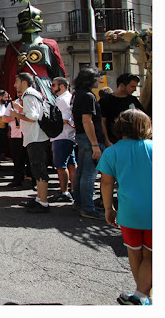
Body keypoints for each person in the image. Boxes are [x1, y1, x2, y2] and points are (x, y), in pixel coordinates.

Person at [98, 109, 152, 305]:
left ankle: (141, 296)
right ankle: (141, 296)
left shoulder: (112, 151)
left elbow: (106, 183)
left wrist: (108, 208)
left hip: (128, 212)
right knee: (152, 255)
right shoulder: (154, 148)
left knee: (134, 252)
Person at [0, 3, 66, 105]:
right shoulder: (14, 48)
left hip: (45, 85)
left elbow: (57, 71)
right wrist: (18, 66)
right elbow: (9, 73)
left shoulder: (49, 45)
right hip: (24, 85)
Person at [9, 73, 51, 213]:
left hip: (35, 137)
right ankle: (39, 198)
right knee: (36, 169)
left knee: (39, 169)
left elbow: (32, 117)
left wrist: (17, 115)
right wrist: (21, 110)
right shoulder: (35, 94)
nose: (15, 85)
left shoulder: (28, 95)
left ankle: (43, 202)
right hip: (38, 136)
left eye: (16, 81)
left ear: (24, 82)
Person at [71, 66, 106, 220]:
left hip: (81, 136)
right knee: (89, 175)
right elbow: (87, 120)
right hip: (89, 138)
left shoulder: (77, 94)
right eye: (98, 78)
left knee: (82, 172)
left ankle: (79, 202)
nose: (100, 80)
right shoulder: (88, 96)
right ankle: (87, 207)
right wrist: (95, 144)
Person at [100, 73, 146, 147]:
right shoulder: (105, 101)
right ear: (122, 86)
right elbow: (102, 122)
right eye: (132, 86)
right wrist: (107, 141)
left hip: (134, 141)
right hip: (114, 142)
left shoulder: (133, 100)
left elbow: (144, 118)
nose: (135, 89)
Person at [49, 77, 76, 203]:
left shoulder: (63, 100)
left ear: (63, 86)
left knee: (61, 165)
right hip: (67, 136)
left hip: (61, 135)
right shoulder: (67, 98)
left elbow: (64, 119)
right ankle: (74, 190)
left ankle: (64, 191)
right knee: (70, 164)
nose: (51, 87)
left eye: (54, 85)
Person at [1, 91, 30, 187]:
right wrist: (15, 118)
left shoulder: (30, 102)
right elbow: (4, 118)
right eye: (18, 93)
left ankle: (32, 179)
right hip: (16, 134)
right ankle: (17, 179)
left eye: (22, 93)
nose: (20, 95)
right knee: (17, 159)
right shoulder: (12, 104)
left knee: (30, 158)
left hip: (29, 134)